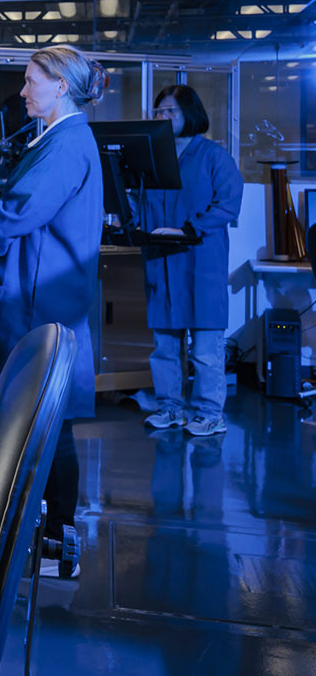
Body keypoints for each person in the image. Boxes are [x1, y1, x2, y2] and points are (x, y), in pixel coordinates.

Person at [0, 44, 104, 552]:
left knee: (50, 427)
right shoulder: (58, 139)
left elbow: (16, 214)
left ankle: (58, 538)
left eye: (31, 80)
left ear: (60, 85)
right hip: (48, 299)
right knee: (51, 426)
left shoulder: (67, 143)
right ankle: (55, 535)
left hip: (42, 306)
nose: (23, 90)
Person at [137, 85, 242, 436]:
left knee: (207, 351)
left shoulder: (214, 157)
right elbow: (140, 203)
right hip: (162, 263)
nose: (164, 118)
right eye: (159, 112)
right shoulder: (152, 157)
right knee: (164, 347)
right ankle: (170, 409)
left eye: (172, 111)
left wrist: (187, 229)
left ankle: (210, 414)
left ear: (190, 114)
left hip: (201, 263)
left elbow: (228, 205)